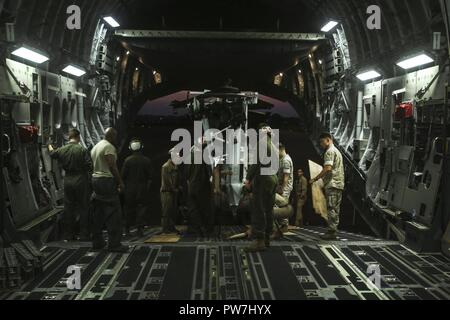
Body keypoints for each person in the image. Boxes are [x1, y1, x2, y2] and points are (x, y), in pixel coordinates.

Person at [49, 129, 92, 241]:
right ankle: (83, 234)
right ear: (78, 137)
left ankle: (69, 234)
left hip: (67, 180)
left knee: (69, 208)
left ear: (69, 137)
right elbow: (89, 166)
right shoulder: (82, 149)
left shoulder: (62, 149)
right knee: (83, 207)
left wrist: (49, 145)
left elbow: (52, 154)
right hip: (80, 179)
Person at [90, 128, 128, 252]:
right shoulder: (109, 147)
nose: (116, 139)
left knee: (99, 213)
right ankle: (114, 244)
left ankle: (97, 242)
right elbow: (112, 165)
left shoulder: (96, 147)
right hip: (106, 181)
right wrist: (120, 182)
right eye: (115, 137)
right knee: (114, 213)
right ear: (111, 136)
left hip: (95, 180)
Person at [244, 125, 278, 252]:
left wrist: (248, 178)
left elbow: (256, 162)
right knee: (269, 210)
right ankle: (267, 238)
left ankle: (259, 241)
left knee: (258, 209)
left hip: (263, 180)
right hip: (273, 179)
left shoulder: (261, 143)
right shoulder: (274, 146)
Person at [310, 133, 345, 240]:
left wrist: (315, 178)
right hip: (338, 184)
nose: (321, 144)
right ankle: (333, 230)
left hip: (332, 183)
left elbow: (328, 168)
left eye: (322, 142)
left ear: (328, 140)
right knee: (335, 208)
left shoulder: (329, 152)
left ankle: (331, 232)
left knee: (331, 208)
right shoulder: (337, 151)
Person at [121, 138, 153, 237]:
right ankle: (140, 230)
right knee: (141, 209)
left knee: (128, 209)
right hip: (142, 188)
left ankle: (127, 230)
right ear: (141, 147)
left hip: (129, 189)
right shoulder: (146, 160)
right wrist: (147, 188)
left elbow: (122, 176)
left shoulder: (127, 160)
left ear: (130, 148)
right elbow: (150, 177)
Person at [186, 144, 214, 237]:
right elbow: (209, 173)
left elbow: (186, 173)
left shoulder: (190, 157)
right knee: (205, 208)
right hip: (202, 187)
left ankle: (197, 230)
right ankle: (206, 230)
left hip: (191, 187)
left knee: (193, 209)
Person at [272, 143, 294, 238]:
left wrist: (282, 188)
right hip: (281, 187)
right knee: (279, 206)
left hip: (284, 188)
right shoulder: (282, 159)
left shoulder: (286, 160)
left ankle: (284, 226)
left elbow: (286, 176)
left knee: (283, 207)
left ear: (281, 149)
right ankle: (282, 226)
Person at [160, 150, 181, 234]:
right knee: (166, 211)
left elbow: (176, 179)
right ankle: (165, 228)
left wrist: (178, 187)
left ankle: (171, 227)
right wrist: (173, 189)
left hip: (172, 192)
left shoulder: (175, 166)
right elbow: (167, 181)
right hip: (166, 192)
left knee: (172, 211)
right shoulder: (166, 166)